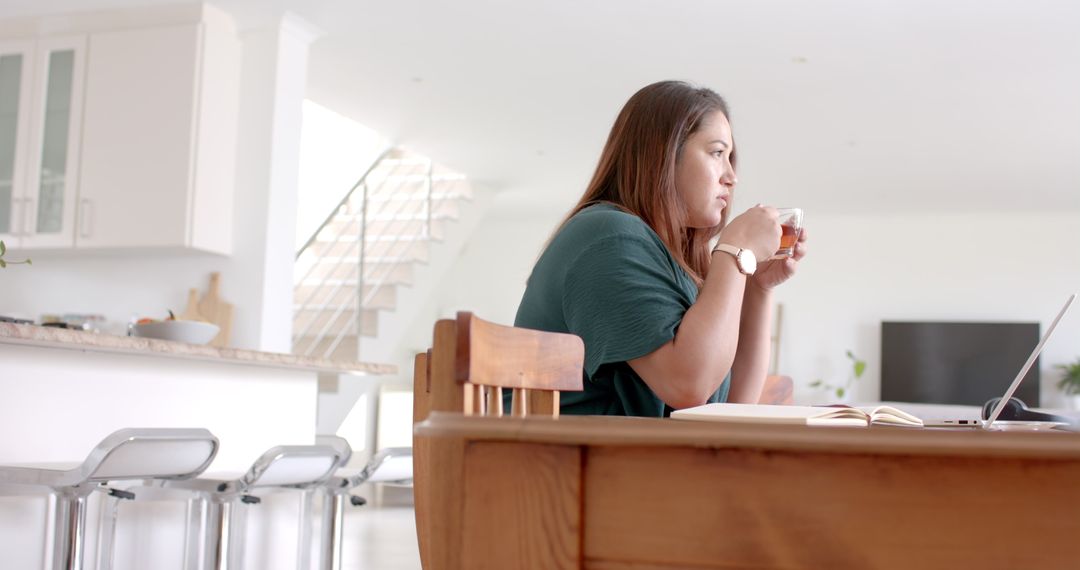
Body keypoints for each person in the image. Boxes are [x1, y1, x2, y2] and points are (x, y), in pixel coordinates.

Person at [514, 80, 807, 417]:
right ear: (665, 155)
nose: (731, 176)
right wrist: (735, 250)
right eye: (716, 153)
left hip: (626, 459)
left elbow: (732, 405)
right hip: (566, 463)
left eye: (730, 158)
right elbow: (689, 386)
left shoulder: (662, 257)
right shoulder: (610, 237)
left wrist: (757, 286)